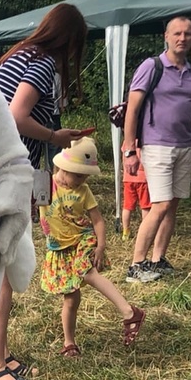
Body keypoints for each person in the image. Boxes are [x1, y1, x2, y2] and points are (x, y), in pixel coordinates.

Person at [0, 2, 89, 380]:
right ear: (70, 40)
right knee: (5, 265)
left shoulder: (18, 54)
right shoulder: (44, 63)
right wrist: (55, 137)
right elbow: (16, 115)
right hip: (2, 172)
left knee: (3, 264)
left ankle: (0, 350)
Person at [121, 16, 191, 284]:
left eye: (188, 34)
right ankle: (136, 265)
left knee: (172, 205)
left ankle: (158, 259)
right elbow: (132, 108)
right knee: (161, 204)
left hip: (184, 145)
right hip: (156, 145)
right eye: (177, 33)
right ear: (166, 36)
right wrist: (129, 148)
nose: (182, 38)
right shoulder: (151, 66)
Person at [39, 137, 145, 356]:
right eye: (78, 174)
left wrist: (100, 246)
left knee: (87, 273)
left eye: (85, 175)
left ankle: (129, 312)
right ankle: (69, 343)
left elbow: (97, 220)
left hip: (82, 240)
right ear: (63, 166)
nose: (82, 180)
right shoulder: (44, 184)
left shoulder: (83, 191)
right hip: (60, 248)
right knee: (71, 297)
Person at [120, 148, 150, 242]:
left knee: (127, 207)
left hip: (128, 178)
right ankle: (145, 232)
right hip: (143, 178)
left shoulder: (127, 143)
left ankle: (125, 232)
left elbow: (124, 160)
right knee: (145, 207)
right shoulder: (145, 140)